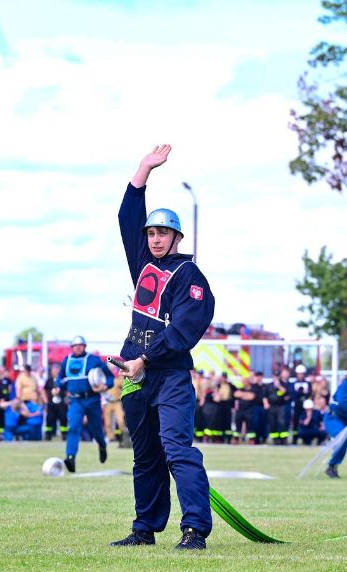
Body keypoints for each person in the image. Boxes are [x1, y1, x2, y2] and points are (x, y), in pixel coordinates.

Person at [110, 143, 218, 550]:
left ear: (176, 237)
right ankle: (144, 529)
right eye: (151, 233)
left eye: (162, 233)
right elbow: (127, 218)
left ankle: (194, 530)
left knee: (177, 451)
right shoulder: (144, 266)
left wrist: (145, 358)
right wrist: (143, 171)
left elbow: (184, 332)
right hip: (136, 376)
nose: (155, 239)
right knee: (145, 456)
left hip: (168, 376)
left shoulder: (190, 276)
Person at [57, 336, 114, 473]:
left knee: (96, 431)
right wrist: (58, 386)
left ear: (85, 346)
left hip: (92, 400)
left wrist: (104, 386)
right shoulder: (67, 361)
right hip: (76, 401)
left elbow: (110, 377)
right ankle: (70, 457)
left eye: (80, 345)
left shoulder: (94, 360)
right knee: (73, 427)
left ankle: (101, 445)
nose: (78, 347)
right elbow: (61, 379)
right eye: (75, 345)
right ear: (71, 348)